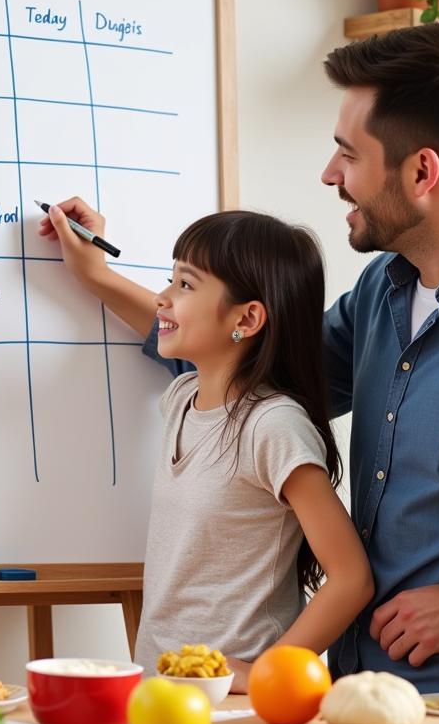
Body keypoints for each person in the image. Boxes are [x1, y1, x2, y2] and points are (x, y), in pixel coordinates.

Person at [41, 19, 439, 692]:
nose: (328, 174)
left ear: (422, 170)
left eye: (348, 154)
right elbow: (243, 356)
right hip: (345, 688)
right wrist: (98, 276)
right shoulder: (381, 292)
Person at [50, 208, 374, 687]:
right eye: (171, 279)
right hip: (162, 684)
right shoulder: (182, 398)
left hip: (233, 703)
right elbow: (172, 327)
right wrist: (94, 276)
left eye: (185, 285)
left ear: (247, 317)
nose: (162, 298)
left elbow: (351, 578)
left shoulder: (274, 426)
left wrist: (267, 672)